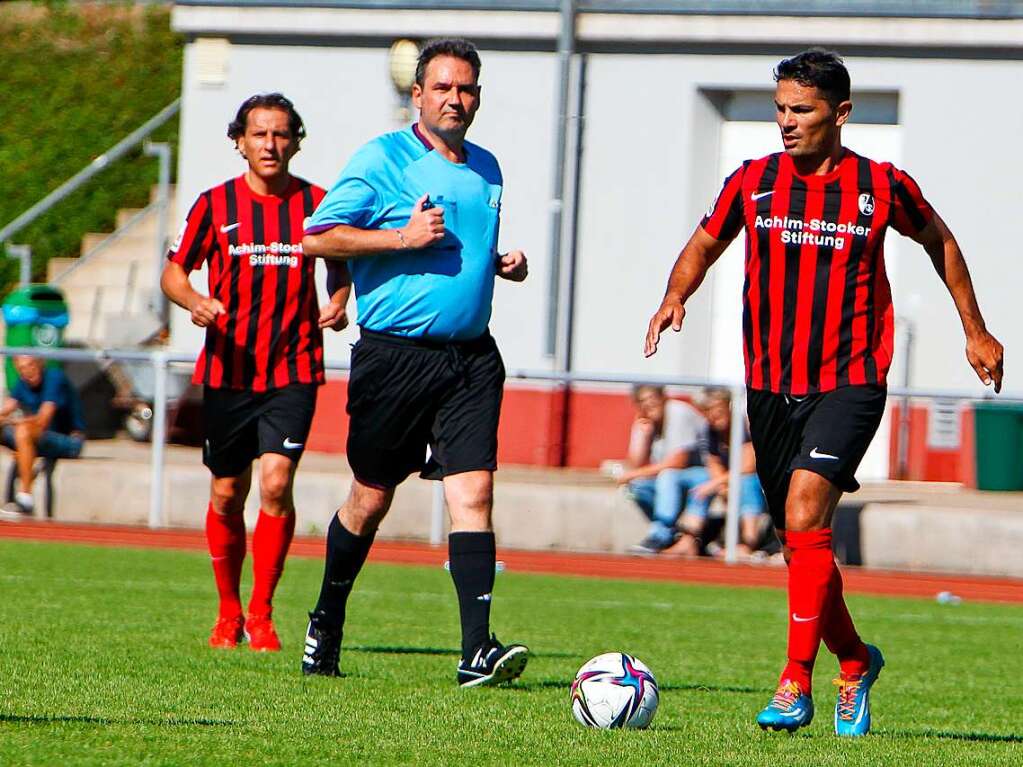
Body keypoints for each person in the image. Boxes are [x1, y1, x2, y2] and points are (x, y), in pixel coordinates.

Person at [644, 50, 1003, 736]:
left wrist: (974, 329)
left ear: (839, 113)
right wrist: (673, 296)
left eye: (800, 110)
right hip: (770, 385)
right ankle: (854, 660)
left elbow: (941, 242)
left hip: (850, 378)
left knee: (807, 508)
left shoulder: (879, 185)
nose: (785, 122)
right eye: (779, 108)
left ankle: (793, 682)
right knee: (798, 540)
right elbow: (703, 242)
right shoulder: (750, 182)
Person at [300, 38, 530, 688]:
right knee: (370, 497)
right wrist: (398, 238)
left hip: (471, 359)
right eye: (444, 88)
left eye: (467, 89)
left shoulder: (487, 167)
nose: (456, 100)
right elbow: (317, 236)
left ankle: (475, 650)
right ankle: (327, 616)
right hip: (394, 359)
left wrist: (500, 264)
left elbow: (461, 250)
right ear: (418, 94)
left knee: (474, 492)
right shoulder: (382, 157)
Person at [161, 93, 351, 652]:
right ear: (239, 141)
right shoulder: (215, 204)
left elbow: (340, 268)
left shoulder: (319, 204)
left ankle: (262, 615)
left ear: (296, 140)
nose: (271, 144)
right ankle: (228, 611)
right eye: (259, 134)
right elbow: (174, 274)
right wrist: (193, 299)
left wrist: (338, 301)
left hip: (293, 367)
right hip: (229, 369)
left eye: (281, 134)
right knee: (226, 491)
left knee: (275, 483)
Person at [666, 388, 768, 559]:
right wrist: (720, 485)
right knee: (701, 483)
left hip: (756, 478)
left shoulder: (743, 424)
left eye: (716, 409)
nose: (712, 415)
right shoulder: (709, 432)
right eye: (707, 411)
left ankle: (748, 542)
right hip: (728, 479)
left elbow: (748, 466)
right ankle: (689, 540)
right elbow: (713, 464)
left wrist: (716, 483)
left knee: (746, 482)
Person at [617, 384, 706, 554]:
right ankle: (674, 531)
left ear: (663, 397)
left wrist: (634, 473)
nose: (649, 404)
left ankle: (660, 535)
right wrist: (643, 434)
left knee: (667, 475)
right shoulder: (645, 420)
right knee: (635, 488)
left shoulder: (678, 413)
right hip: (670, 479)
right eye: (642, 401)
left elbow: (679, 461)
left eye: (652, 398)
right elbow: (635, 463)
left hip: (700, 474)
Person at [0, 355, 85, 519]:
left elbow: (43, 420)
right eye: (22, 368)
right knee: (19, 431)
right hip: (38, 439)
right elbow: (7, 409)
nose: (28, 371)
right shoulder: (22, 383)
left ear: (40, 363)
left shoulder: (54, 378)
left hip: (69, 440)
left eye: (31, 365)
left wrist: (13, 421)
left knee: (23, 431)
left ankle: (25, 500)